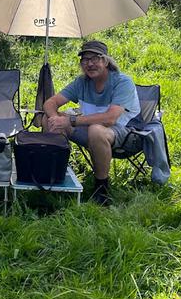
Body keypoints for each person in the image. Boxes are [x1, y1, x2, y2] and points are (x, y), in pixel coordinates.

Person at [42, 40, 140, 205]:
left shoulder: (122, 82)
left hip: (127, 134)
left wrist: (71, 120)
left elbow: (110, 119)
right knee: (47, 118)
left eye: (95, 58)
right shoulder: (81, 82)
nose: (90, 64)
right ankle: (54, 174)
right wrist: (55, 119)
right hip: (90, 131)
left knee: (96, 129)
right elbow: (50, 103)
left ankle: (102, 188)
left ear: (106, 61)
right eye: (85, 60)